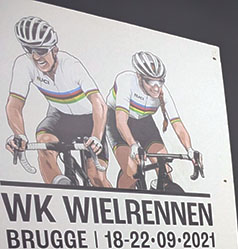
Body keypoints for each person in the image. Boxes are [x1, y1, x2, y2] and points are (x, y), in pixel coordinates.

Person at [5, 16, 110, 187]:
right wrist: (19, 135)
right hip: (59, 115)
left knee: (96, 176)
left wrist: (96, 136)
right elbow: (14, 105)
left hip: (89, 118)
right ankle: (59, 186)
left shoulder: (70, 65)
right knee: (43, 142)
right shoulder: (24, 64)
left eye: (40, 50)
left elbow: (98, 103)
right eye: (28, 49)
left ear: (54, 49)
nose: (35, 57)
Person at [106, 51, 200, 189]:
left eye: (160, 81)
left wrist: (190, 149)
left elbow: (177, 124)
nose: (156, 87)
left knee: (164, 168)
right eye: (150, 81)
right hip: (117, 122)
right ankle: (123, 197)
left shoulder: (163, 92)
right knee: (132, 171)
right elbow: (120, 121)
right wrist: (132, 144)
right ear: (139, 76)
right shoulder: (126, 81)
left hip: (144, 123)